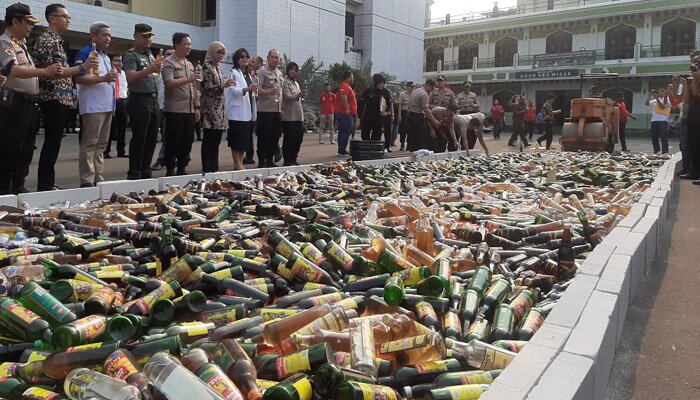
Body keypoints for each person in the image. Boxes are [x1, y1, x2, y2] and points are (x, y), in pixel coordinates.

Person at [0, 3, 64, 194]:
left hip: (28, 104)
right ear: (15, 21)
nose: (31, 27)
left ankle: (18, 187)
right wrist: (45, 71)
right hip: (13, 104)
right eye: (27, 23)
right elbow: (13, 70)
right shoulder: (5, 43)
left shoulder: (21, 44)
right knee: (10, 149)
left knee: (26, 151)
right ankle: (5, 192)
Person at [34, 3, 98, 192]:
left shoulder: (57, 41)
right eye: (65, 17)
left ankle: (47, 182)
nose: (68, 20)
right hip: (53, 97)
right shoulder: (48, 40)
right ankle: (44, 185)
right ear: (53, 18)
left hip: (60, 97)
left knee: (54, 142)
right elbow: (55, 72)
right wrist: (83, 67)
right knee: (51, 142)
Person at [74, 22, 117, 188]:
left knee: (101, 145)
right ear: (93, 36)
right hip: (93, 106)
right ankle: (87, 179)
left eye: (109, 35)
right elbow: (78, 77)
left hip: (107, 106)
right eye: (104, 35)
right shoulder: (85, 53)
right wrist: (103, 79)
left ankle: (98, 176)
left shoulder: (105, 56)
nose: (108, 38)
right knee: (90, 143)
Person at [123, 24, 163, 180]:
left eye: (150, 36)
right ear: (136, 36)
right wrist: (150, 70)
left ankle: (146, 170)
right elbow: (131, 77)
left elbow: (153, 76)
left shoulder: (150, 55)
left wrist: (153, 70)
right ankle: (135, 172)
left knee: (152, 138)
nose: (149, 39)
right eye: (145, 36)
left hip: (153, 99)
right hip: (139, 99)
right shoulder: (131, 55)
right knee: (140, 137)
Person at [162, 32, 201, 176]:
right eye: (186, 44)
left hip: (189, 109)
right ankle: (170, 169)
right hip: (175, 109)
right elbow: (169, 83)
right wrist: (189, 79)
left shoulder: (189, 64)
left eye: (190, 44)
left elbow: (194, 87)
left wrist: (197, 106)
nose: (189, 47)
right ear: (177, 45)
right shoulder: (169, 62)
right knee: (173, 140)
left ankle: (182, 168)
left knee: (187, 140)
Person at [199, 41, 232, 173]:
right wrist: (222, 86)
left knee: (217, 140)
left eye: (223, 53)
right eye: (219, 52)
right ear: (212, 52)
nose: (221, 55)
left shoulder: (218, 68)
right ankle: (207, 168)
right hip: (210, 108)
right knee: (209, 139)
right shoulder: (206, 67)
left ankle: (214, 167)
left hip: (219, 108)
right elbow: (206, 87)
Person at [225, 48, 257, 171]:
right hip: (237, 112)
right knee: (236, 140)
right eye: (242, 57)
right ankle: (237, 163)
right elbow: (233, 90)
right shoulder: (233, 72)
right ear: (237, 59)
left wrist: (253, 90)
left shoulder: (248, 74)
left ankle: (240, 163)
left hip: (247, 111)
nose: (245, 59)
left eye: (247, 57)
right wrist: (246, 89)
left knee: (244, 140)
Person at [255, 49, 284, 167]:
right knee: (264, 137)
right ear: (267, 58)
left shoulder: (279, 73)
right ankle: (262, 161)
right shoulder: (262, 72)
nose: (274, 59)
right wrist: (268, 92)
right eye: (272, 57)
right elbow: (256, 88)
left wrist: (282, 108)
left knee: (275, 136)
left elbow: (281, 92)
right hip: (265, 110)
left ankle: (270, 160)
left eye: (277, 57)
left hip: (277, 110)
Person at [281, 62, 307, 166]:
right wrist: (298, 95)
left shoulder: (296, 83)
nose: (293, 71)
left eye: (295, 70)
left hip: (298, 116)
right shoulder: (285, 82)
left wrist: (301, 94)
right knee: (289, 139)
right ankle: (287, 159)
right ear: (288, 70)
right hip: (289, 116)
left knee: (298, 138)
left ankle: (294, 158)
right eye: (291, 69)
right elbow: (287, 96)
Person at [104, 53, 128, 159]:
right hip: (111, 100)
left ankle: (121, 151)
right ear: (111, 62)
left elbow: (126, 88)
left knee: (122, 127)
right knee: (110, 127)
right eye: (115, 61)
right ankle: (106, 150)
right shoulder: (108, 73)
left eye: (120, 61)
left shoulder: (124, 73)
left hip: (122, 101)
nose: (118, 63)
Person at [406, 80, 441, 151]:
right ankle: (420, 155)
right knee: (421, 139)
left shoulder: (416, 91)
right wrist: (434, 120)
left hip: (411, 115)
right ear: (428, 85)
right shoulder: (424, 94)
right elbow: (425, 109)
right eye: (432, 88)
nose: (431, 90)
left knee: (413, 138)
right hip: (418, 117)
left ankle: (412, 154)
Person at [357, 74, 392, 144]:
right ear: (376, 83)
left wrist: (387, 112)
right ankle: (366, 150)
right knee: (364, 135)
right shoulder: (369, 91)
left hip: (379, 119)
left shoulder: (385, 92)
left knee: (376, 137)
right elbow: (361, 104)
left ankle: (373, 152)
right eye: (380, 83)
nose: (382, 85)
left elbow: (389, 105)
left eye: (383, 83)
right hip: (368, 118)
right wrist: (359, 118)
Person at [243, 55, 263, 165]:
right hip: (253, 107)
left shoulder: (260, 74)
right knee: (252, 133)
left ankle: (276, 149)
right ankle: (249, 155)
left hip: (260, 107)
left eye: (253, 62)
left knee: (260, 133)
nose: (251, 64)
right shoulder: (252, 75)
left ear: (259, 63)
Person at [334, 70, 358, 156]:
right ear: (348, 77)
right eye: (352, 77)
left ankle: (341, 149)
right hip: (345, 113)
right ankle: (342, 150)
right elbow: (343, 97)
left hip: (343, 113)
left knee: (342, 130)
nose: (353, 79)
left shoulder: (346, 86)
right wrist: (347, 109)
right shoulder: (344, 86)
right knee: (346, 131)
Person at [684, 65, 700, 184]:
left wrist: (697, 78)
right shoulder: (696, 80)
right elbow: (691, 95)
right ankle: (694, 172)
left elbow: (697, 93)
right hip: (693, 119)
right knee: (694, 148)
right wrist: (693, 79)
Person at [645, 88, 670, 154]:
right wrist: (650, 95)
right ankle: (656, 151)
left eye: (662, 92)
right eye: (660, 91)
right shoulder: (655, 100)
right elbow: (646, 103)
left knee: (663, 136)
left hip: (663, 120)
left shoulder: (667, 100)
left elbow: (662, 107)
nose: (661, 93)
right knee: (654, 137)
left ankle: (665, 152)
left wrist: (656, 98)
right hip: (654, 120)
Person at [397, 81, 414, 151]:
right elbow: (400, 105)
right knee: (403, 129)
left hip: (411, 113)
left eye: (413, 87)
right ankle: (402, 144)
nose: (412, 88)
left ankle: (409, 145)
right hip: (403, 112)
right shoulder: (402, 94)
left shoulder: (414, 94)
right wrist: (399, 115)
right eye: (411, 87)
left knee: (410, 130)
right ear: (407, 87)